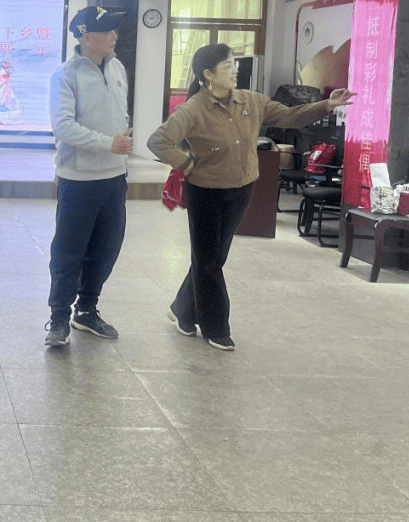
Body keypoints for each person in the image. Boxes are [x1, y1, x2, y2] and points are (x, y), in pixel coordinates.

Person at [147, 43, 355, 351]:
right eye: (228, 66)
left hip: (241, 189)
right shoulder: (192, 109)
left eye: (234, 64)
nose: (235, 70)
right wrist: (186, 163)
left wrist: (326, 105)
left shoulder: (251, 101)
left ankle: (182, 309)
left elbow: (290, 116)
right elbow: (158, 141)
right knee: (208, 262)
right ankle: (216, 328)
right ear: (208, 74)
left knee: (213, 258)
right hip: (205, 192)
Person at [45, 5, 134, 347]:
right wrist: (109, 143)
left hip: (114, 177)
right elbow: (64, 127)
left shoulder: (117, 68)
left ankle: (87, 310)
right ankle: (58, 318)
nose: (113, 36)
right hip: (78, 179)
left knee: (106, 248)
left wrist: (118, 147)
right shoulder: (65, 75)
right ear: (84, 36)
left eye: (114, 30)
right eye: (106, 31)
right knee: (69, 251)